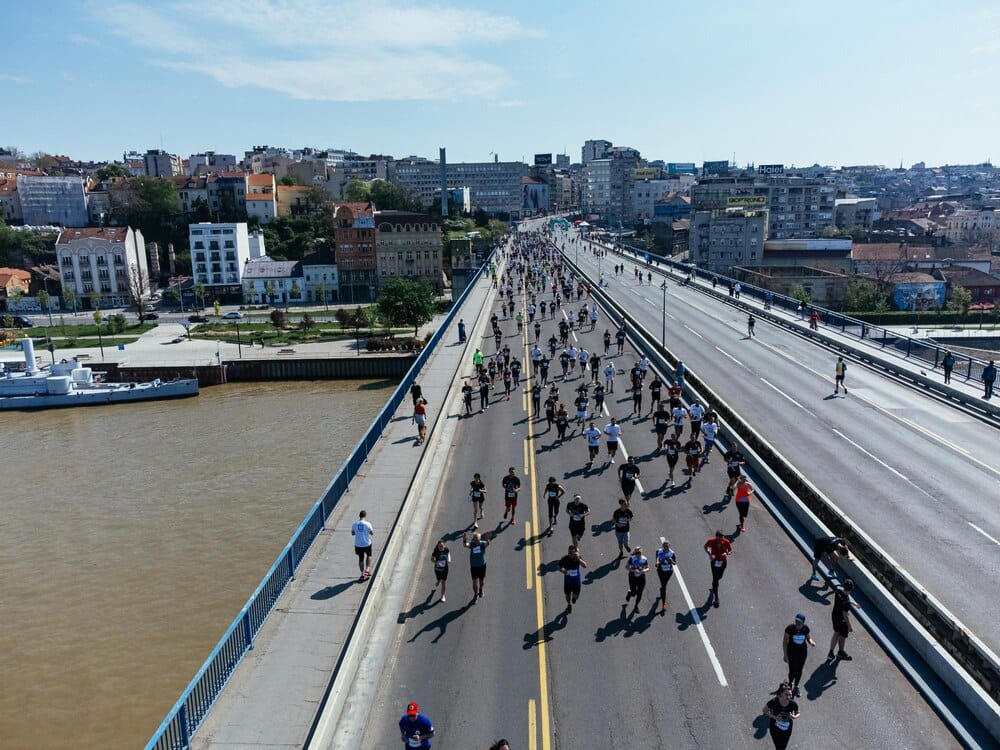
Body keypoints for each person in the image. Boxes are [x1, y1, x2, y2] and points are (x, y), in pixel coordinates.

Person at [783, 613, 815, 697]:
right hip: (792, 652)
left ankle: (796, 686)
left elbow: (808, 637)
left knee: (799, 670)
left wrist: (811, 641)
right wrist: (785, 655)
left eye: (799, 622)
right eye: (796, 621)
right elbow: (784, 642)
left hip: (802, 653)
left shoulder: (805, 629)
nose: (797, 624)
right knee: (792, 670)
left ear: (803, 623)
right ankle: (790, 684)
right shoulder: (790, 628)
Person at [828, 578, 860, 660]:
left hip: (834, 616)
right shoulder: (846, 603)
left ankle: (831, 653)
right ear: (851, 590)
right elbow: (845, 614)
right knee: (842, 635)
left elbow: (845, 599)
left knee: (836, 633)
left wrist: (854, 603)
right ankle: (840, 652)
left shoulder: (838, 591)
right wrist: (849, 626)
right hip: (842, 620)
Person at [761, 683, 799, 750]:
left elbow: (798, 713)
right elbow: (764, 710)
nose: (788, 697)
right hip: (775, 728)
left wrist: (794, 716)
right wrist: (775, 717)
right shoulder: (774, 701)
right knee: (778, 747)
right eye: (786, 695)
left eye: (790, 695)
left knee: (783, 747)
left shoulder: (793, 704)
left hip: (787, 729)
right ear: (781, 694)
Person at [704, 529, 732, 607]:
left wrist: (727, 553)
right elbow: (705, 546)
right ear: (716, 537)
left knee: (720, 576)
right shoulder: (711, 541)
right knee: (715, 579)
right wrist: (709, 554)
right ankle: (716, 598)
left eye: (722, 537)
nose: (721, 539)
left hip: (723, 562)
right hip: (714, 562)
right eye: (719, 538)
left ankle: (714, 585)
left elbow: (730, 550)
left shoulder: (726, 542)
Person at [462, 530, 493, 600]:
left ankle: (481, 589)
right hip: (474, 567)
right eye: (475, 538)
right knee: (474, 583)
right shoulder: (472, 544)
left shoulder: (482, 544)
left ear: (480, 539)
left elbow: (487, 544)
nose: (476, 540)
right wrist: (464, 540)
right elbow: (465, 545)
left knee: (481, 581)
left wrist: (488, 539)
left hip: (482, 566)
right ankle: (476, 595)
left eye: (478, 539)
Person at [559, 545, 588, 612]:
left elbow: (585, 565)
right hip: (568, 582)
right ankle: (569, 604)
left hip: (576, 581)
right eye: (569, 553)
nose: (570, 554)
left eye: (572, 553)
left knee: (576, 596)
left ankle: (574, 598)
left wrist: (578, 558)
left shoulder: (577, 558)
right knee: (567, 595)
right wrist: (563, 570)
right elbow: (559, 566)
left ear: (575, 552)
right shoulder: (565, 558)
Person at [655, 538, 678, 612]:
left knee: (664, 585)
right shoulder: (658, 551)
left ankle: (662, 589)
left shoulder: (672, 553)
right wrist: (657, 563)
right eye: (664, 546)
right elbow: (657, 559)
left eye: (667, 546)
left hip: (668, 572)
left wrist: (671, 561)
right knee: (664, 586)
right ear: (662, 546)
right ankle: (663, 604)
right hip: (660, 571)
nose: (665, 547)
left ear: (669, 546)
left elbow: (675, 563)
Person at [625, 546, 649, 613]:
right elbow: (626, 567)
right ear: (635, 553)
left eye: (639, 552)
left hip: (641, 578)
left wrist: (644, 570)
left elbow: (648, 568)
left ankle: (636, 607)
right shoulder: (632, 559)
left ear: (642, 552)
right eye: (637, 552)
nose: (638, 554)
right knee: (633, 594)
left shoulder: (644, 559)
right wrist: (633, 570)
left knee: (640, 593)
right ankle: (630, 593)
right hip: (632, 577)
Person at [351, 510, 374, 580]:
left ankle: (362, 574)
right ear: (365, 516)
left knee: (361, 559)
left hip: (358, 544)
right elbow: (372, 533)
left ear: (359, 516)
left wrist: (358, 532)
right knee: (369, 555)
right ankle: (367, 570)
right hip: (367, 543)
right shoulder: (368, 524)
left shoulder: (354, 524)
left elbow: (352, 533)